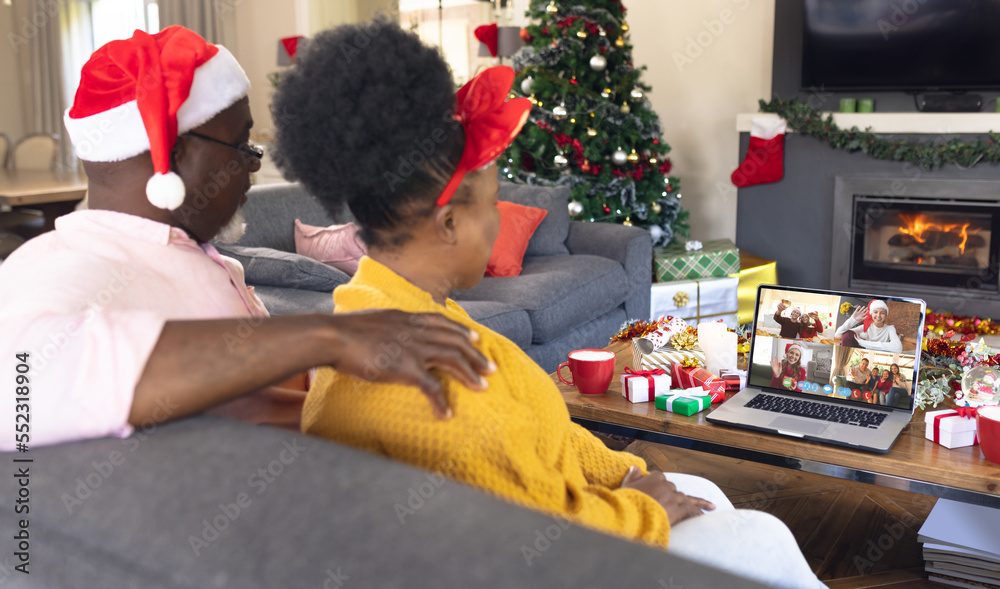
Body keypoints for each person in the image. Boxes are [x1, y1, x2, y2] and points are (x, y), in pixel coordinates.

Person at [275, 22, 825, 588]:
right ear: (448, 224)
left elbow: (546, 434)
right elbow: (527, 541)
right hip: (550, 559)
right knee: (764, 538)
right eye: (494, 204)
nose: (499, 221)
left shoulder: (406, 310)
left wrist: (631, 473)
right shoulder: (422, 382)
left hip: (571, 514)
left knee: (706, 493)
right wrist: (644, 509)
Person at [0, 26, 494, 451]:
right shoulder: (65, 259)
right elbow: (15, 381)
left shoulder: (180, 250)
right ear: (171, 155)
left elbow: (244, 395)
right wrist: (330, 337)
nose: (252, 166)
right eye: (241, 146)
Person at [835, 299, 902, 352]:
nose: (878, 316)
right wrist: (853, 320)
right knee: (847, 334)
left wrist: (862, 342)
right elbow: (838, 335)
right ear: (871, 314)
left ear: (886, 315)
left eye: (882, 313)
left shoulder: (890, 328)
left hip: (877, 353)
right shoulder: (867, 327)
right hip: (866, 351)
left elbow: (898, 347)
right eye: (875, 312)